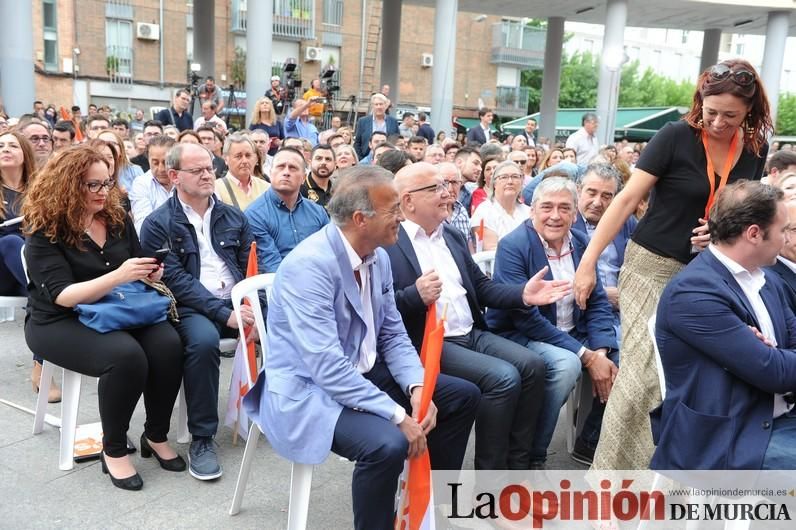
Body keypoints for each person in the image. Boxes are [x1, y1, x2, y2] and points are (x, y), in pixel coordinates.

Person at [243, 166, 480, 530]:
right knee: (386, 444)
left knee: (461, 396)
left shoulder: (378, 256)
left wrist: (417, 387)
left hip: (362, 372)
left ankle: (426, 507)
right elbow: (326, 368)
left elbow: (392, 336)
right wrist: (398, 415)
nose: (401, 216)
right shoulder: (309, 267)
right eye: (393, 210)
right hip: (309, 391)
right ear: (360, 219)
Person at [573, 59, 772, 470]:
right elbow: (626, 201)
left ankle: (662, 481)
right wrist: (587, 262)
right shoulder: (675, 136)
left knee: (688, 380)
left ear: (749, 112)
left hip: (707, 272)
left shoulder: (755, 149)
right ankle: (609, 486)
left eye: (729, 115)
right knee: (644, 378)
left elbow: (736, 212)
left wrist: (717, 234)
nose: (716, 121)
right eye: (709, 110)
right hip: (651, 267)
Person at [386, 162, 571, 471]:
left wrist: (522, 294)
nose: (448, 195)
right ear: (408, 201)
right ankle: (490, 482)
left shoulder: (451, 236)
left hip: (471, 332)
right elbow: (380, 309)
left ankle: (518, 469)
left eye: (446, 187)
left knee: (533, 366)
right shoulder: (390, 244)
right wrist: (414, 296)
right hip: (429, 343)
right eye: (436, 188)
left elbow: (481, 287)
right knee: (503, 378)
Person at [23, 146, 184, 490]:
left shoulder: (114, 217)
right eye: (92, 185)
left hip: (116, 308)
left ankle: (155, 434)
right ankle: (112, 449)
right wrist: (120, 276)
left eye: (107, 183)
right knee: (125, 357)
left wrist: (149, 272)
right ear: (67, 185)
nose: (103, 192)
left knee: (169, 344)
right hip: (56, 320)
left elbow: (136, 262)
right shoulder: (45, 229)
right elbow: (62, 296)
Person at [651, 181, 796, 470]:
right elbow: (774, 373)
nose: (786, 240)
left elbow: (778, 361)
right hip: (728, 437)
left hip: (778, 418)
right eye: (783, 231)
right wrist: (772, 358)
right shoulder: (693, 292)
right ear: (754, 234)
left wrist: (774, 355)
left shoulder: (767, 279)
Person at [139, 142, 259, 481]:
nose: (208, 175)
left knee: (288, 325)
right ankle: (202, 438)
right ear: (175, 176)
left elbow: (250, 265)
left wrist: (252, 307)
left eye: (210, 168)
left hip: (236, 301)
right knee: (204, 342)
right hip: (190, 307)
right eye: (197, 170)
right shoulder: (158, 223)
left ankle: (280, 415)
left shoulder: (232, 215)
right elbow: (176, 282)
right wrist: (225, 315)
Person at [488, 177, 619, 468]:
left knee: (622, 358)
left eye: (564, 208)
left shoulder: (582, 242)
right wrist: (584, 356)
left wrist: (599, 351)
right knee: (565, 365)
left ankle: (589, 441)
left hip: (573, 330)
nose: (555, 216)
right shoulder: (514, 245)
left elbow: (597, 300)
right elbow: (525, 319)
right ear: (531, 210)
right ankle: (534, 456)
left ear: (575, 214)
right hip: (519, 333)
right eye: (547, 207)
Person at [573, 163, 637, 337]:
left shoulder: (626, 222)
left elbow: (640, 264)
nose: (597, 202)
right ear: (578, 190)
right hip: (583, 313)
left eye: (606, 196)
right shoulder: (565, 222)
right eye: (591, 193)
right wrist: (601, 294)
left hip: (625, 309)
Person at [246, 147, 329, 272]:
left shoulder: (318, 212)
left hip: (319, 281)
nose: (286, 172)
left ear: (303, 177)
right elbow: (271, 265)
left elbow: (329, 254)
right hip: (276, 285)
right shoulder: (255, 214)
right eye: (280, 167)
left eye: (293, 168)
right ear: (270, 172)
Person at [470, 161, 530, 251]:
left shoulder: (529, 212)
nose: (510, 181)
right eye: (504, 177)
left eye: (515, 177)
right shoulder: (484, 212)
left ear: (522, 182)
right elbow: (492, 251)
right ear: (494, 183)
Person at [129, 135, 177, 234]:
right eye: (155, 163)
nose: (161, 169)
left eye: (166, 162)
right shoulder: (141, 184)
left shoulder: (185, 179)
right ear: (148, 160)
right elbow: (143, 226)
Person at [214, 133, 269, 211]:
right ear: (226, 159)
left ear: (256, 158)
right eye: (238, 156)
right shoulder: (216, 189)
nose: (244, 161)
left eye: (248, 155)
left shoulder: (266, 188)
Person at [353, 93, 399, 160]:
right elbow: (357, 143)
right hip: (367, 158)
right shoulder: (363, 121)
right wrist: (360, 159)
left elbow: (397, 140)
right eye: (376, 104)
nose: (379, 107)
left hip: (388, 158)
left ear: (386, 106)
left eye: (381, 104)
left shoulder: (393, 122)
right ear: (372, 106)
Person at [300, 144, 335, 208]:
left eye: (328, 159)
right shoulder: (300, 189)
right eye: (319, 158)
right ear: (310, 162)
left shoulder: (339, 189)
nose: (323, 162)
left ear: (335, 164)